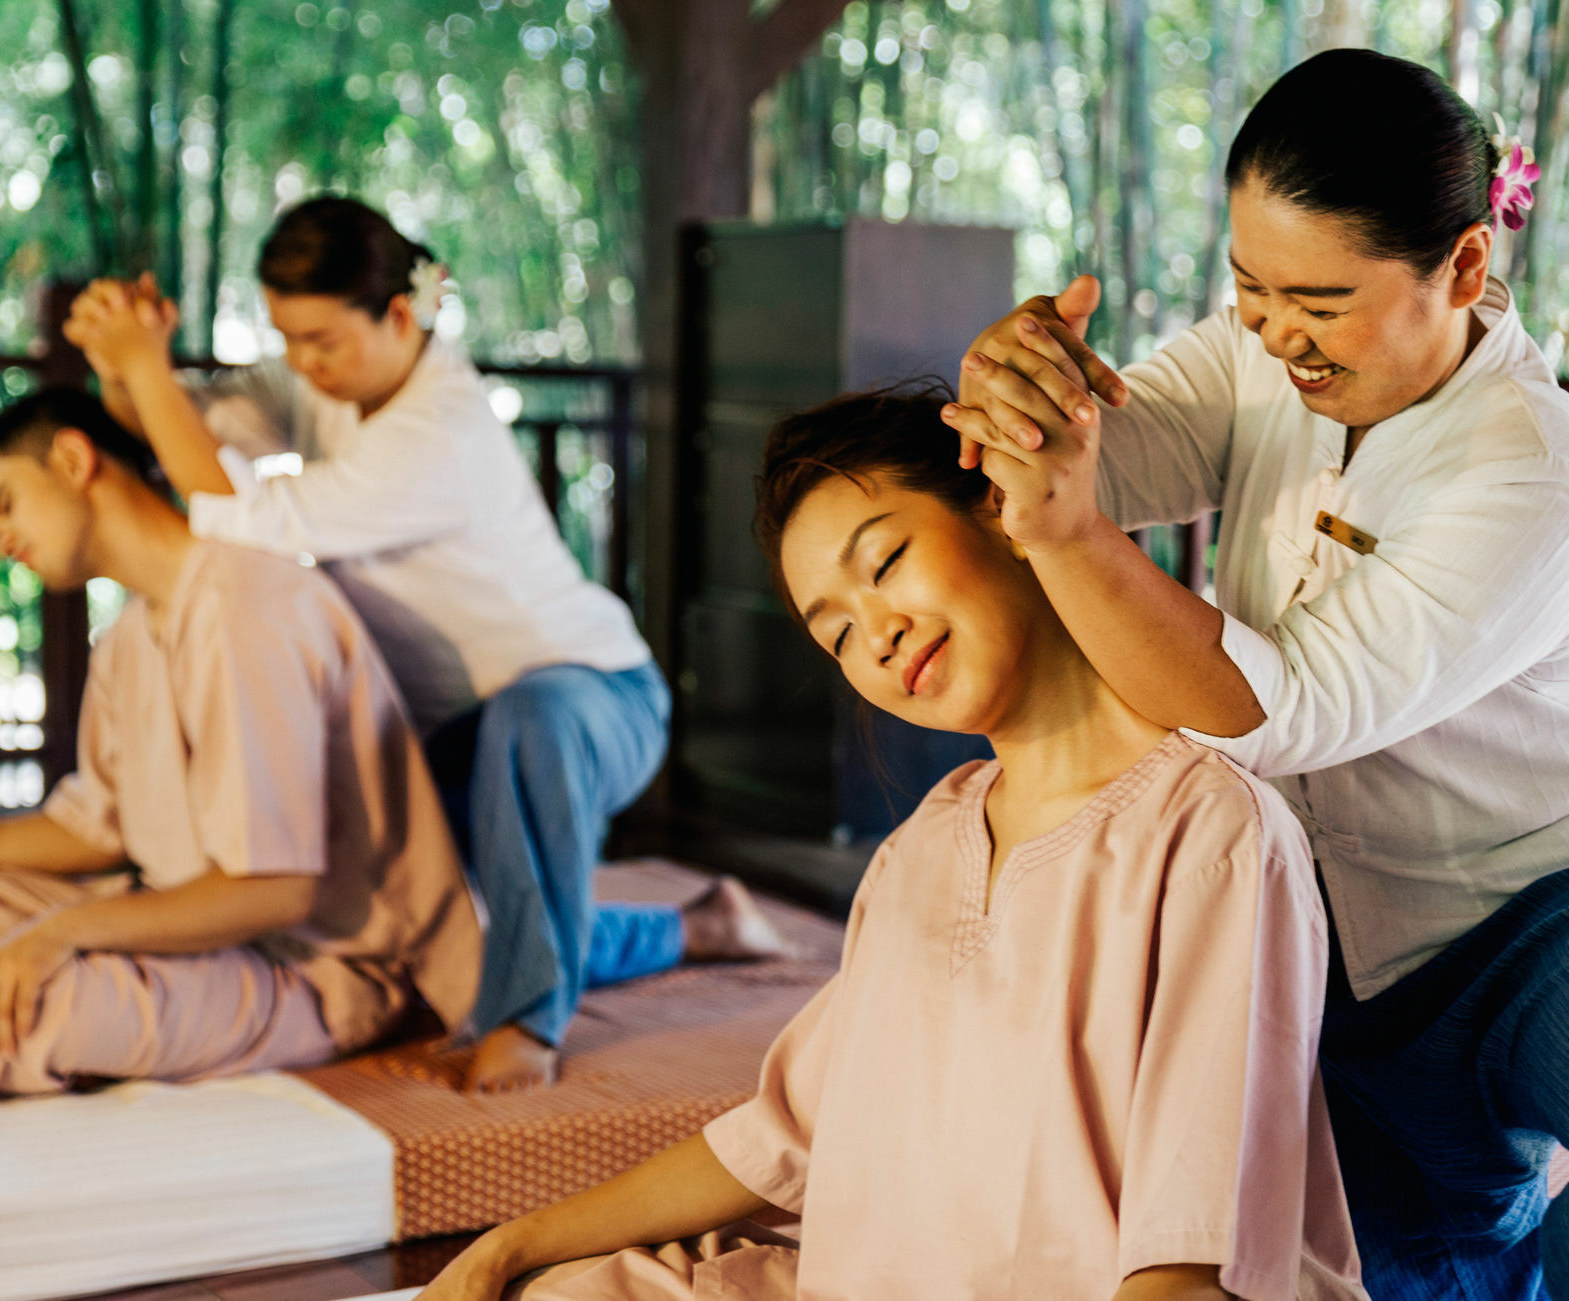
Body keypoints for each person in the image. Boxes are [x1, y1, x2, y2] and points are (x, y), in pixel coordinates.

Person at [945, 48, 1569, 1301]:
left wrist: (1068, 532)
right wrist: (1022, 407)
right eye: (1245, 285)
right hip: (1332, 941)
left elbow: (1280, 704)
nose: (1268, 330)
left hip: (1556, 902)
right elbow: (1109, 466)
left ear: (1462, 265)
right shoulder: (1256, 355)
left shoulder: (1530, 463)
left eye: (1314, 298)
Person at [414, 384, 1368, 1301]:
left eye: (883, 565)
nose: (876, 633)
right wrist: (508, 1243)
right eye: (836, 634)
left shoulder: (1210, 832)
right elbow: (780, 1136)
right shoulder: (925, 844)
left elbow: (1186, 1266)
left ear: (1002, 509)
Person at [60, 198, 781, 1093]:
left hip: (593, 697)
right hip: (463, 728)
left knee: (533, 721)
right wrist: (121, 359)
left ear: (398, 316)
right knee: (435, 923)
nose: (302, 362)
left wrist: (143, 370)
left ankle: (529, 1020)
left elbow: (234, 522)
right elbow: (179, 427)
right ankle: (698, 927)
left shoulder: (439, 433)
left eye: (320, 339)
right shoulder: (329, 386)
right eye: (289, 338)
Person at [0, 388, 483, 1099]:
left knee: (73, 1007)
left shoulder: (250, 605)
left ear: (72, 458)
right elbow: (92, 827)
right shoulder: (127, 637)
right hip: (193, 931)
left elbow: (276, 890)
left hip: (313, 966)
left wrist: (62, 932)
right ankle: (13, 1004)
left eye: (4, 504)